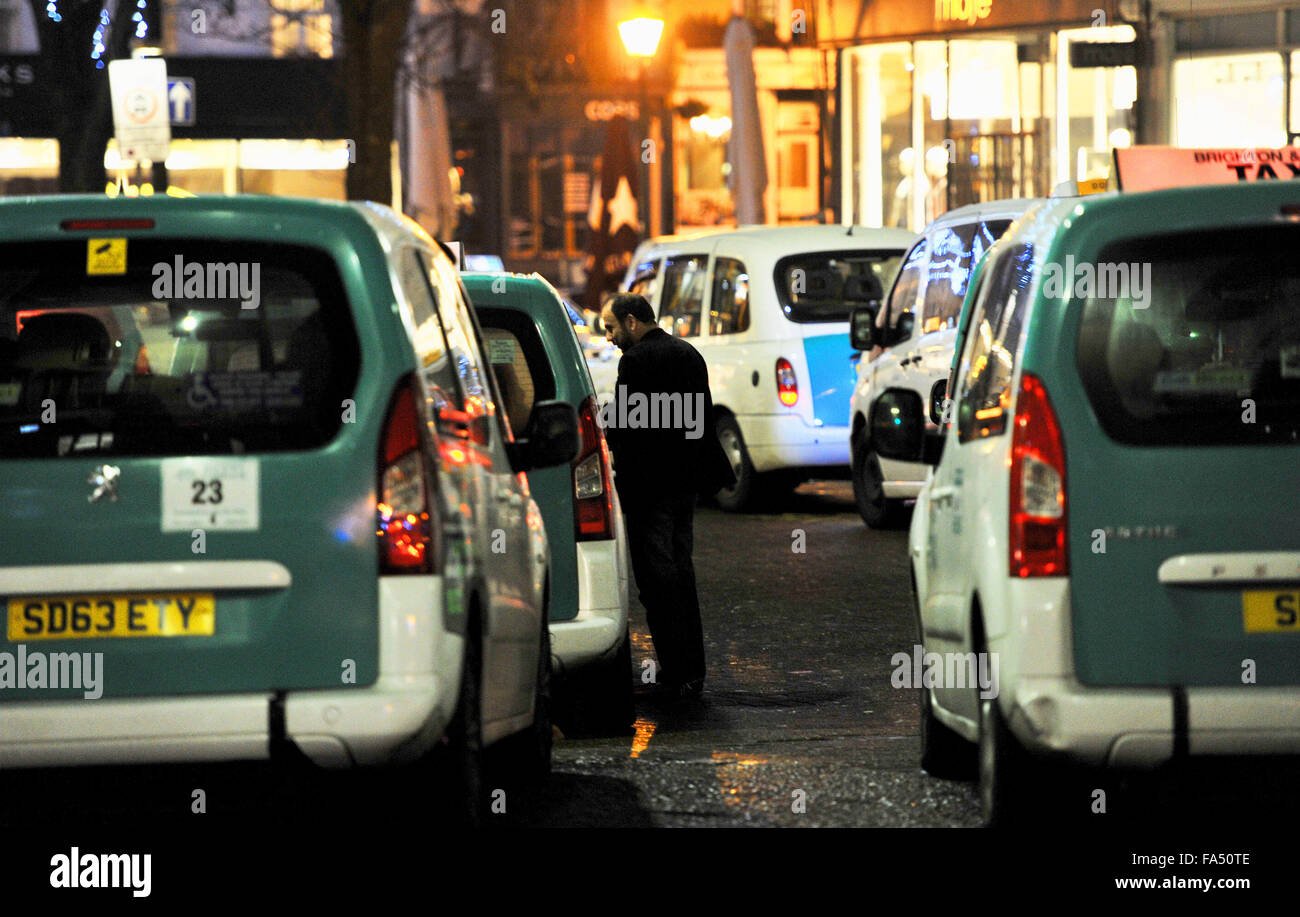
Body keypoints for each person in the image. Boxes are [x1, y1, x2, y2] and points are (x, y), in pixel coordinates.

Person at [599, 293, 735, 701]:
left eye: (611, 329)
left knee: (656, 581)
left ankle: (675, 671)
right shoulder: (689, 354)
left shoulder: (636, 361)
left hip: (649, 487)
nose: (610, 338)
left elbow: (626, 421)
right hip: (683, 487)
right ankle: (691, 669)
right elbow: (699, 419)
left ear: (631, 322)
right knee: (680, 572)